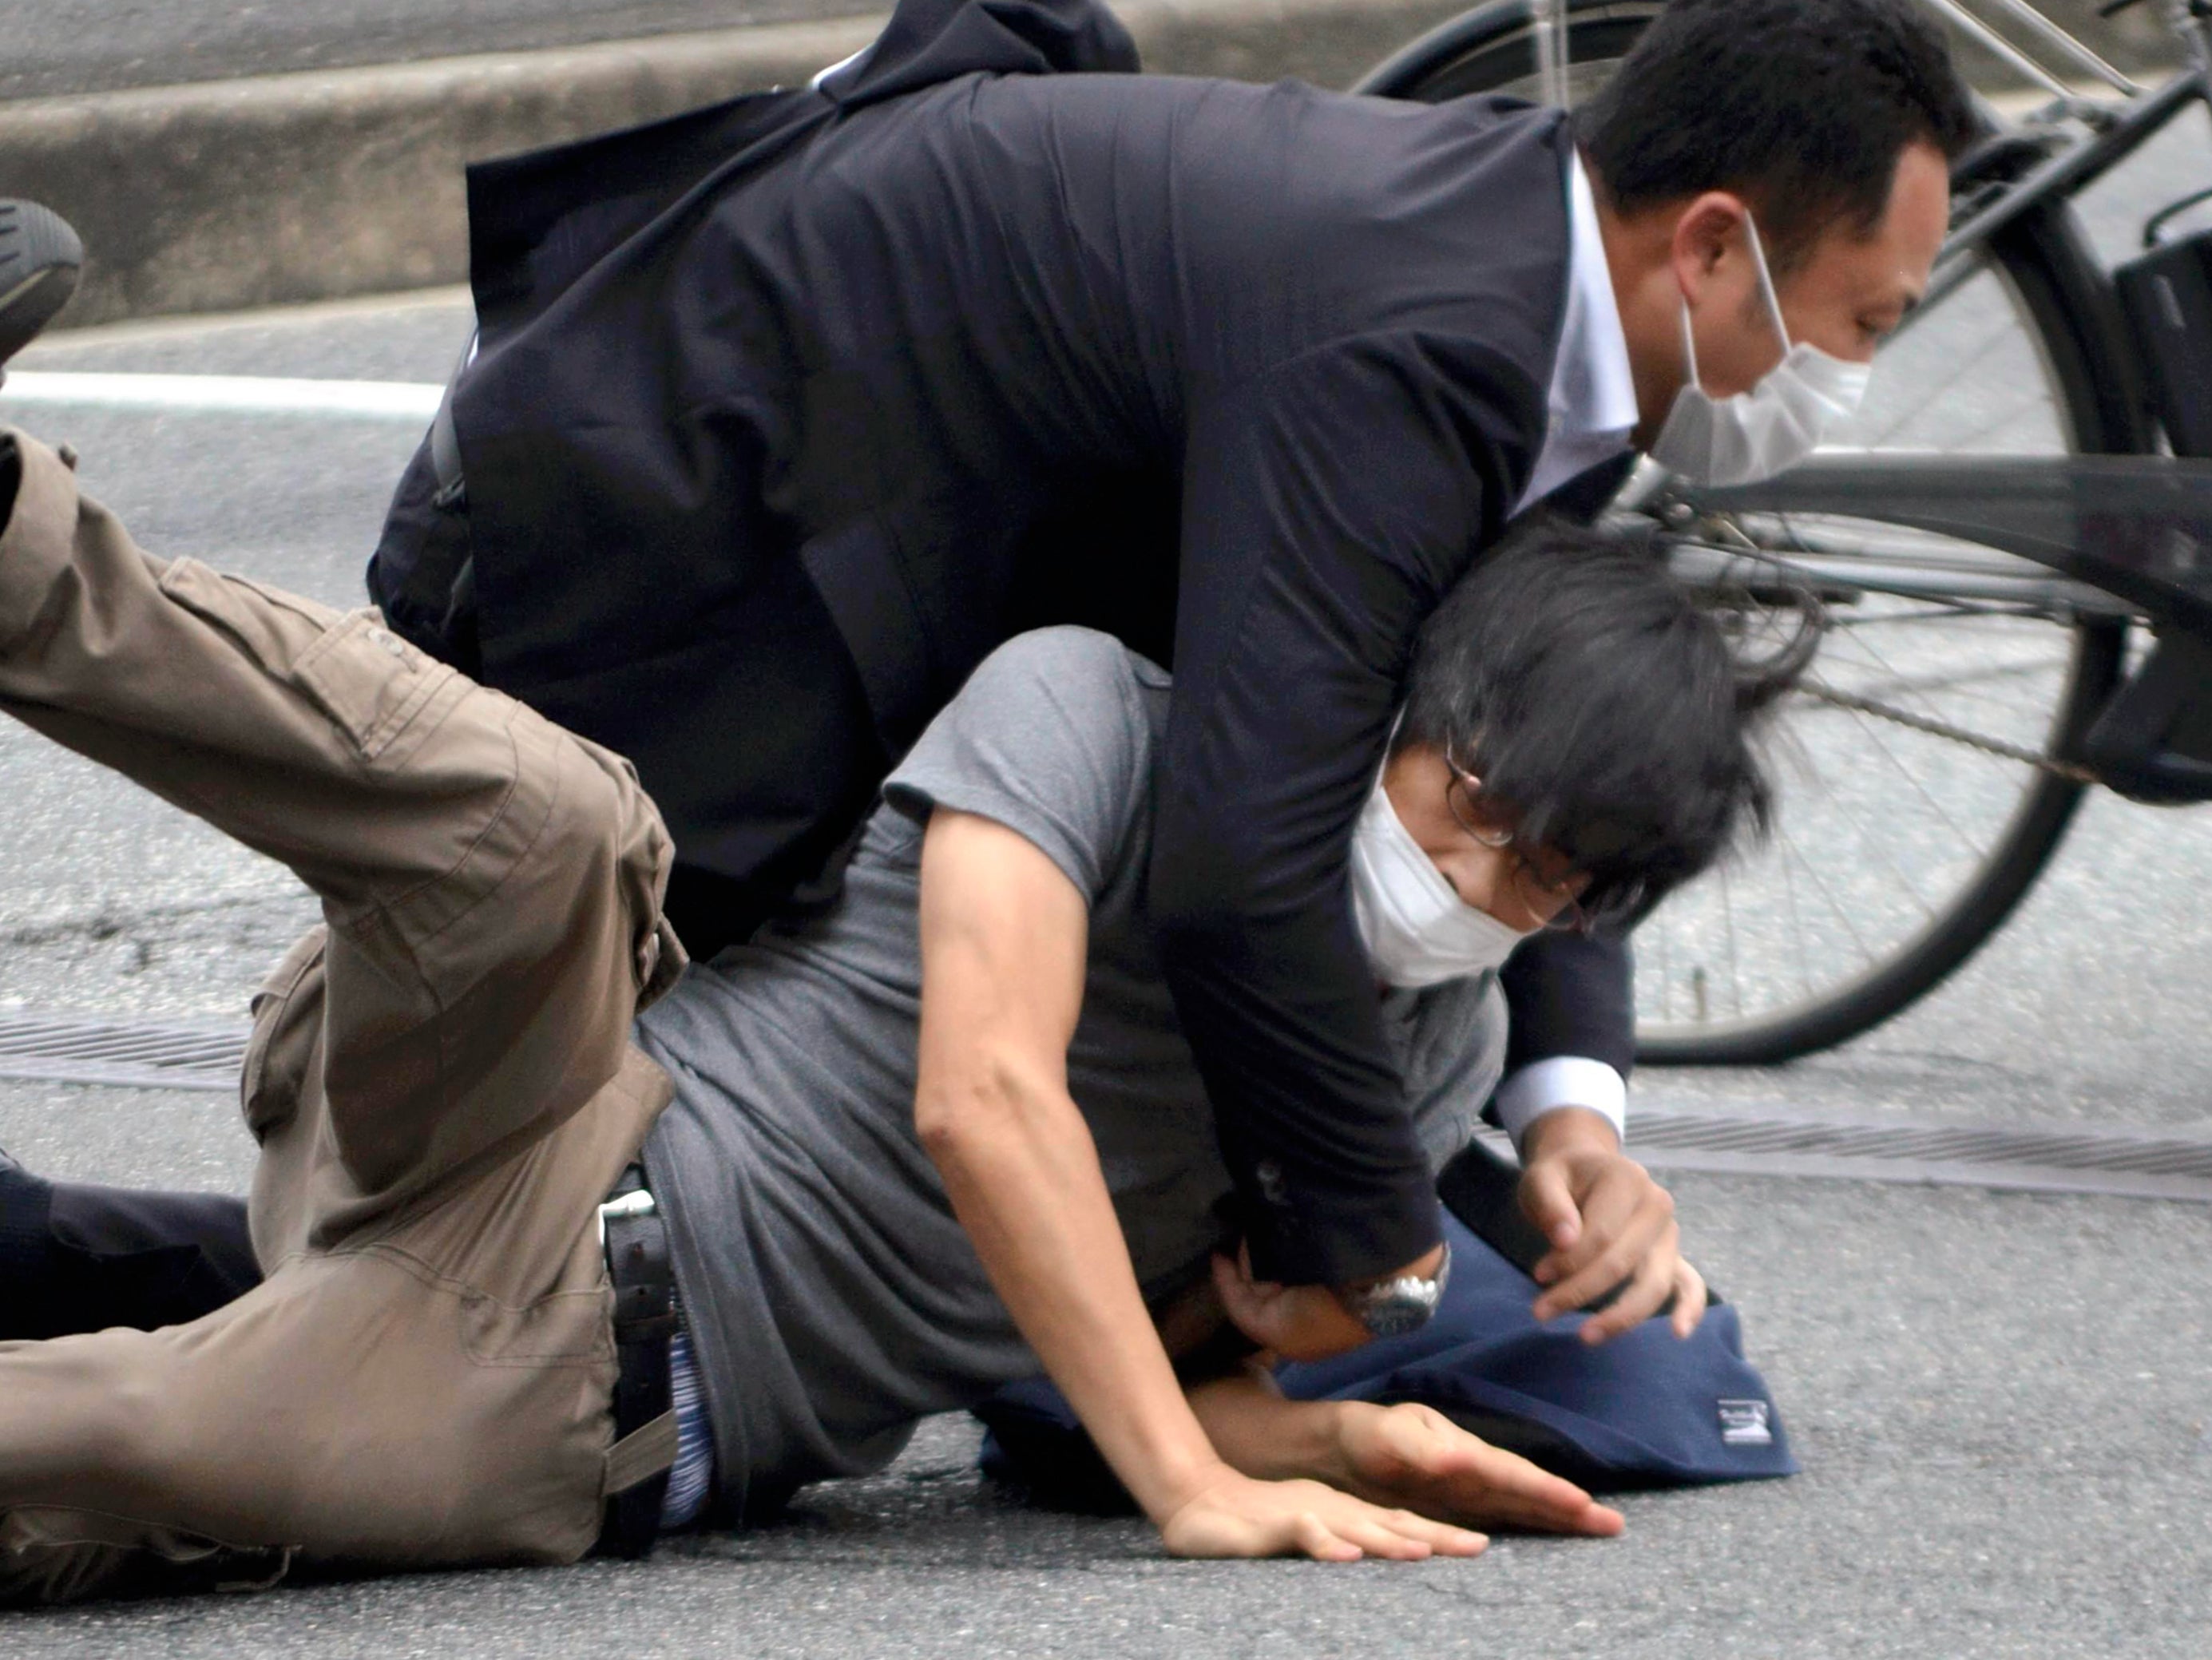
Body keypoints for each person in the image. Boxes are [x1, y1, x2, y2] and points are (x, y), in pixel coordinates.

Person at [0, 367, 1791, 1599]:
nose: (1470, 879)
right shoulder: (1094, 712)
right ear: (1397, 704)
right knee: (550, 821)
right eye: (1464, 802)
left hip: (569, 1385)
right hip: (536, 1096)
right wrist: (1191, 1475)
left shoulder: (1421, 1053)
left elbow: (1095, 1392)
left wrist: (1323, 1409)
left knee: (117, 1446)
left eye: (1541, 876)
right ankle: (11, 535)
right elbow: (981, 1090)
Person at [365, 0, 1975, 1344]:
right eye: (1858, 319)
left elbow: (1517, 709)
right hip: (605, 529)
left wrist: (1568, 1112)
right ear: (1707, 248)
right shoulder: (1421, 344)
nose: (1844, 376)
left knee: (504, 1259)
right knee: (471, 1227)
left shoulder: (1538, 294)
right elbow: (1238, 864)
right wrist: (1381, 1260)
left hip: (778, 541)